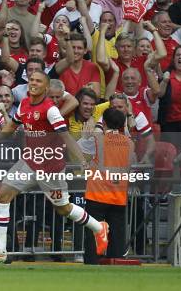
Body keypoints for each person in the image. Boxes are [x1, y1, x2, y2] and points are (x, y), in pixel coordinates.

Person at [0, 70, 109, 263]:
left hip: (50, 167)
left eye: (38, 81)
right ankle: (1, 251)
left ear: (46, 87)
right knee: (2, 197)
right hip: (28, 162)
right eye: (31, 79)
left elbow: (66, 136)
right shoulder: (24, 103)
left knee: (64, 209)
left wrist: (82, 161)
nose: (33, 83)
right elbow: (12, 126)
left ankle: (99, 228)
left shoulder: (50, 110)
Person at [82, 108, 135, 264]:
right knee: (117, 235)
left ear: (104, 122)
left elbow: (81, 149)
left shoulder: (98, 139)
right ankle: (116, 263)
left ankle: (91, 263)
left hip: (97, 193)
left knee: (93, 232)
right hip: (118, 195)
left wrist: (86, 136)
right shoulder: (130, 143)